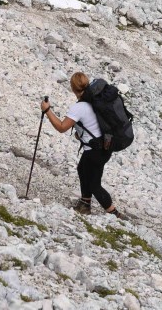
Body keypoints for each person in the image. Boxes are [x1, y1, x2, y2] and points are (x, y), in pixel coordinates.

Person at [40, 73, 122, 218]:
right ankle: (85, 204)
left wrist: (47, 110)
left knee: (94, 184)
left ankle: (114, 213)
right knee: (82, 168)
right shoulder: (94, 100)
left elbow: (61, 127)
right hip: (103, 145)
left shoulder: (79, 107)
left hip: (94, 150)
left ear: (72, 88)